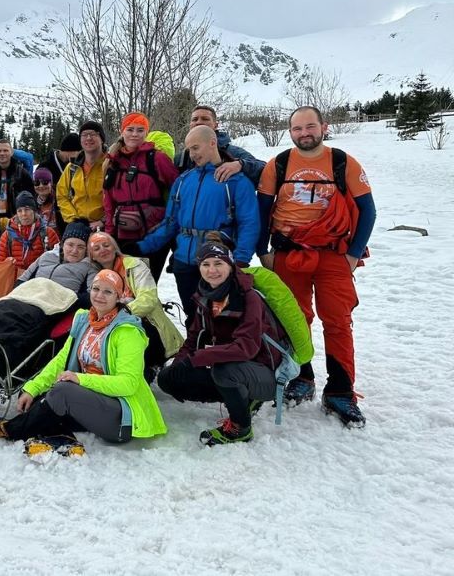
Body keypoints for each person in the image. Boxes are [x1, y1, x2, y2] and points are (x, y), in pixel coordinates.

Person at [256, 106, 376, 428]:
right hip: (288, 254)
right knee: (293, 319)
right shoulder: (277, 166)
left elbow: (368, 210)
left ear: (323, 126)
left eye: (310, 126)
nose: (304, 133)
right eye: (297, 128)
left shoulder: (343, 163)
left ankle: (340, 391)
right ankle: (301, 377)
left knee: (337, 321)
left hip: (333, 255)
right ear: (290, 131)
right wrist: (261, 252)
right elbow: (261, 212)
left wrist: (352, 254)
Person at [0, 268, 167, 457]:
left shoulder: (127, 332)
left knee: (62, 391)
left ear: (119, 297)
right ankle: (61, 437)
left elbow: (128, 384)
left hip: (122, 419)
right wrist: (31, 389)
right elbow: (61, 360)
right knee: (45, 396)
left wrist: (79, 379)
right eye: (96, 289)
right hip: (92, 402)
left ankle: (11, 429)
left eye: (108, 291)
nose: (99, 296)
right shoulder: (85, 320)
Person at [157, 235, 290, 445]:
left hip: (265, 372)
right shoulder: (204, 296)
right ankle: (242, 398)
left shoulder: (248, 297)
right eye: (206, 264)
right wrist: (180, 364)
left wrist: (199, 358)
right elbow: (193, 338)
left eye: (218, 263)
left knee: (224, 371)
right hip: (233, 365)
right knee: (168, 379)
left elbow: (246, 347)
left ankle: (241, 428)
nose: (212, 270)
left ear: (229, 265)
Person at [133, 125, 260, 324]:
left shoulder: (236, 181)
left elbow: (249, 223)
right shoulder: (184, 180)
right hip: (184, 261)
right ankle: (197, 351)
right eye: (189, 149)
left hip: (216, 263)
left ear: (212, 143)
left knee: (220, 320)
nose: (191, 155)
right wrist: (141, 247)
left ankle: (217, 353)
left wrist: (241, 260)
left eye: (195, 148)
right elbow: (171, 222)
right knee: (193, 316)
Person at [86, 232, 182, 379]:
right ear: (92, 255)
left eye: (106, 245)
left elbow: (148, 299)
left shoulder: (134, 266)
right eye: (97, 248)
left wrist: (123, 312)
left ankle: (147, 369)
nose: (103, 250)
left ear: (115, 248)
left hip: (145, 324)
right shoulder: (93, 273)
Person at [102, 112, 180, 280]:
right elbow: (109, 201)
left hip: (153, 234)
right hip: (122, 234)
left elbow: (178, 192)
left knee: (147, 285)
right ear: (122, 131)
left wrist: (166, 225)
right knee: (123, 286)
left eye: (140, 130)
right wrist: (110, 233)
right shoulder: (113, 161)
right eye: (130, 129)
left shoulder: (157, 158)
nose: (135, 134)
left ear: (146, 133)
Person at [177, 105, 265, 186]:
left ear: (215, 125)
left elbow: (264, 169)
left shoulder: (232, 153)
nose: (199, 122)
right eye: (195, 119)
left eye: (205, 119)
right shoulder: (182, 158)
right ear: (190, 125)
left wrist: (241, 165)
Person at [16, 221, 93, 296]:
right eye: (70, 245)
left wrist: (68, 299)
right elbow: (22, 279)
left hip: (59, 305)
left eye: (80, 247)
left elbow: (91, 296)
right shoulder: (47, 256)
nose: (74, 251)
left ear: (86, 250)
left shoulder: (89, 267)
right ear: (62, 244)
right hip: (29, 297)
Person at [57, 119, 107, 232]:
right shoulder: (72, 167)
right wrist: (74, 220)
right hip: (77, 226)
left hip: (105, 227)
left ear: (102, 139)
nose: (88, 138)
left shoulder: (110, 165)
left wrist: (104, 221)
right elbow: (61, 196)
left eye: (93, 134)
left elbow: (119, 199)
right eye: (84, 135)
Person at [0, 192, 60, 275]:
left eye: (27, 209)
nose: (23, 214)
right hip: (16, 281)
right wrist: (9, 264)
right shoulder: (7, 235)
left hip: (41, 279)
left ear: (34, 210)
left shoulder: (48, 233)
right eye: (19, 211)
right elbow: (1, 265)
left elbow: (58, 260)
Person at [32, 167, 62, 233]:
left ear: (51, 183)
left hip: (59, 240)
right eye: (37, 183)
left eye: (45, 182)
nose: (41, 186)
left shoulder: (60, 199)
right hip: (40, 240)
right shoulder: (32, 203)